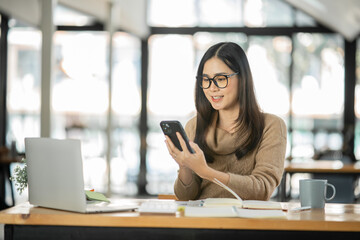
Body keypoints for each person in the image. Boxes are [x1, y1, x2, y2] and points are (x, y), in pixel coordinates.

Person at [164, 42, 287, 201]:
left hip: (247, 221)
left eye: (220, 79)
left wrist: (206, 172)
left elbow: (262, 189)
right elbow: (186, 196)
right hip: (201, 220)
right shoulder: (194, 126)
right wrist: (184, 166)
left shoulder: (271, 126)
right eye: (206, 79)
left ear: (242, 78)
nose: (212, 88)